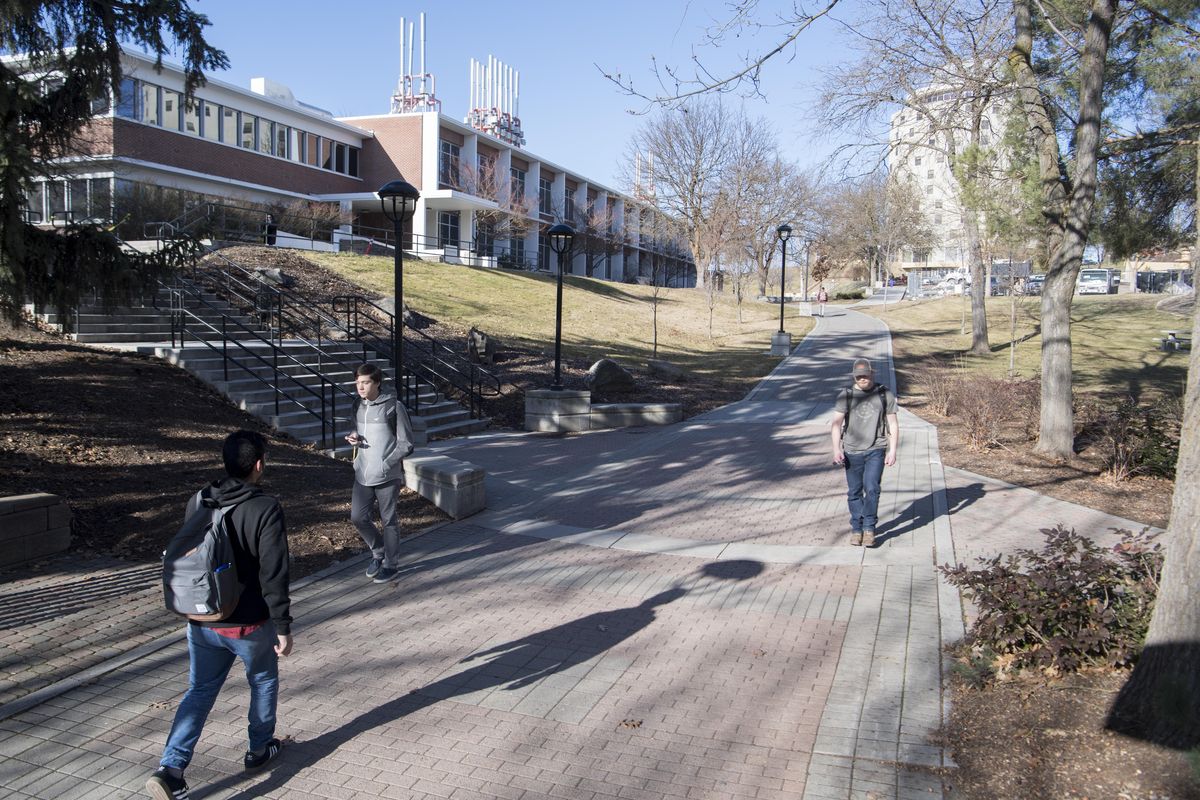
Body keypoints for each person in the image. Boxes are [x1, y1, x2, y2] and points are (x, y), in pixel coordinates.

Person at [146, 430, 293, 800]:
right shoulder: (265, 507)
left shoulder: (200, 499)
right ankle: (259, 749)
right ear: (259, 464)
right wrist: (283, 625)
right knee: (262, 682)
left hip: (202, 619)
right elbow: (273, 573)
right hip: (248, 625)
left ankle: (171, 768)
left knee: (199, 690)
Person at [345, 363, 415, 583]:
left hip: (387, 475)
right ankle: (378, 551)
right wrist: (353, 437)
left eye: (365, 382)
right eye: (358, 382)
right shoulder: (357, 405)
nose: (360, 387)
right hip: (362, 474)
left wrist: (387, 463)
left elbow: (406, 444)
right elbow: (359, 430)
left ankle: (391, 565)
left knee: (389, 521)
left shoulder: (393, 406)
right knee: (358, 517)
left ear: (376, 383)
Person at [830, 358, 899, 547]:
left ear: (872, 373)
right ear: (854, 376)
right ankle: (856, 529)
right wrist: (836, 449)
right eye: (859, 376)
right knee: (854, 492)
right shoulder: (846, 395)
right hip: (852, 451)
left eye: (865, 375)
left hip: (876, 448)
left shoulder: (884, 394)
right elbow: (836, 424)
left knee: (872, 488)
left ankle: (869, 528)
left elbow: (892, 423)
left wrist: (892, 450)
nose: (862, 379)